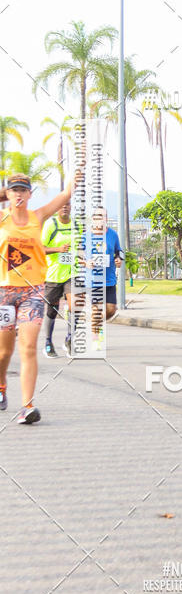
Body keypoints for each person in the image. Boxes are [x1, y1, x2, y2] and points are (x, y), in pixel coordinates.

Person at [0, 173, 73, 423]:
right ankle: (1, 387)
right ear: (7, 194)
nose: (19, 194)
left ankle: (27, 406)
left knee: (28, 347)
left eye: (23, 190)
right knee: (3, 352)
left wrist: (80, 166)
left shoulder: (38, 217)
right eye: (14, 190)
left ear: (30, 194)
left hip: (32, 291)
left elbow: (64, 195)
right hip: (4, 293)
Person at [77, 208, 123, 350]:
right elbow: (78, 256)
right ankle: (96, 339)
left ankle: (95, 323)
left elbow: (118, 251)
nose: (101, 219)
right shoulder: (85, 236)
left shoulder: (113, 235)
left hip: (109, 279)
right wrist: (86, 263)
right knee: (97, 310)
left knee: (111, 310)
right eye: (98, 216)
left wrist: (118, 259)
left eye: (103, 216)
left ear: (106, 219)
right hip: (93, 280)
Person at [41, 199, 74, 357]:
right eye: (62, 205)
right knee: (52, 310)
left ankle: (69, 340)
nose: (65, 208)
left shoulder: (77, 226)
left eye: (67, 204)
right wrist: (58, 249)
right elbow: (40, 249)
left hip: (72, 274)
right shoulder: (51, 225)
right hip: (53, 274)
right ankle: (48, 342)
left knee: (74, 305)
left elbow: (81, 247)